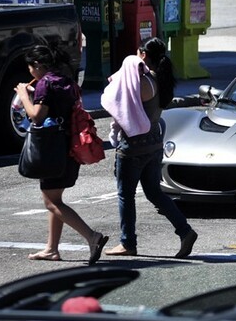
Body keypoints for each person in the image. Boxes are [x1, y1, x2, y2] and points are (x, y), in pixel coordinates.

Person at [101, 37, 198, 258]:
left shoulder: (140, 82)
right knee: (155, 192)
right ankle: (185, 231)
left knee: (125, 195)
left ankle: (128, 243)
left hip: (132, 147)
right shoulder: (159, 80)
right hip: (154, 144)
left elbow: (119, 107)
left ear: (143, 55)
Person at [14, 44, 108, 264]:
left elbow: (36, 116)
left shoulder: (45, 84)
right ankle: (51, 249)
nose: (30, 73)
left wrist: (23, 95)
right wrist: (33, 93)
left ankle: (92, 236)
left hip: (51, 148)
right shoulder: (67, 82)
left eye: (30, 68)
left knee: (51, 202)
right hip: (68, 148)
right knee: (55, 199)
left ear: (37, 65)